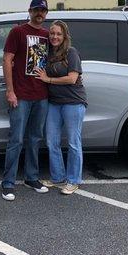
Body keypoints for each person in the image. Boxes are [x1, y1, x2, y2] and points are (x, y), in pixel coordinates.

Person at [1, 0, 50, 201]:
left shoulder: (48, 36)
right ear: (29, 11)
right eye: (37, 9)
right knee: (16, 140)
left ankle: (31, 177)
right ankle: (8, 183)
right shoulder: (18, 32)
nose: (40, 13)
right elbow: (7, 59)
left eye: (43, 10)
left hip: (42, 96)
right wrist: (10, 91)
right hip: (20, 96)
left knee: (35, 139)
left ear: (46, 13)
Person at [35, 20, 87, 195]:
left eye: (58, 34)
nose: (54, 37)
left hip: (73, 102)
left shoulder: (71, 53)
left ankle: (73, 180)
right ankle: (58, 177)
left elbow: (72, 78)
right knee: (51, 141)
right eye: (52, 33)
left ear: (64, 36)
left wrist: (48, 80)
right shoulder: (47, 53)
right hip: (54, 103)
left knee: (73, 142)